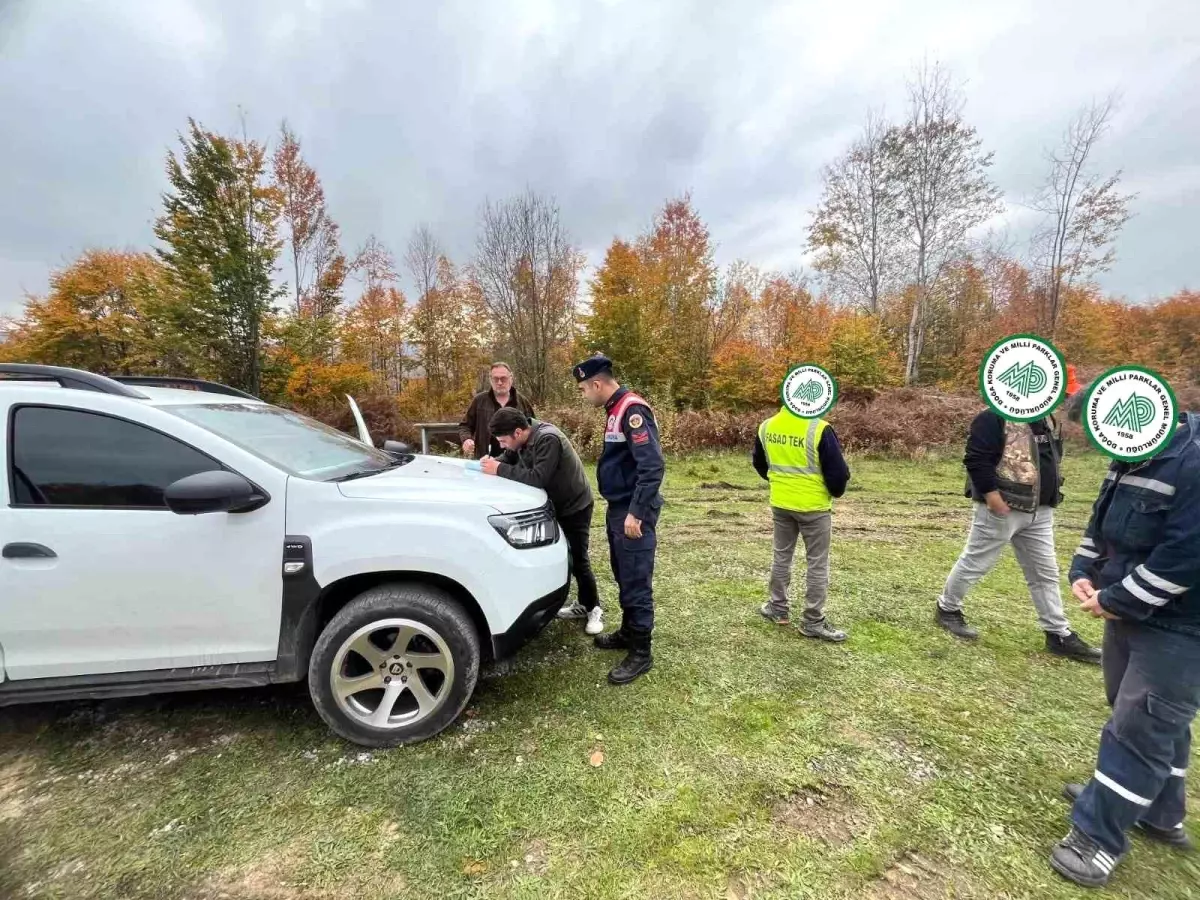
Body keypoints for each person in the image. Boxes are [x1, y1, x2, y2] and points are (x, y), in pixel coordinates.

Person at [1050, 399, 1200, 888]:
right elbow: (1102, 522)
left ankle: (1097, 837)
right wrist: (1083, 570)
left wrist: (1119, 599)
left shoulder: (1193, 462)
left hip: (1181, 624)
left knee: (1140, 725)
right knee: (1147, 717)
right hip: (1129, 610)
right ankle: (1159, 811)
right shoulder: (1132, 454)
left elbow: (1185, 555)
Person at [934, 392, 1101, 663]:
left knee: (1045, 572)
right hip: (1003, 507)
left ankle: (1058, 633)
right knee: (976, 562)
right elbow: (976, 460)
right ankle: (947, 609)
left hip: (1040, 510)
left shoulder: (1045, 419)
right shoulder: (992, 418)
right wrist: (991, 496)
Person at [573, 353, 664, 685]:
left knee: (636, 579)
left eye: (584, 389)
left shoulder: (632, 410)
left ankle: (641, 652)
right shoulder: (615, 410)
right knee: (623, 574)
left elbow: (652, 467)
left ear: (597, 384)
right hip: (619, 509)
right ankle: (628, 632)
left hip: (631, 512)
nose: (584, 396)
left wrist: (636, 512)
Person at [482, 408, 603, 635]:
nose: (503, 445)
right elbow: (507, 458)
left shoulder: (548, 439)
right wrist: (493, 462)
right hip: (555, 506)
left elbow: (538, 478)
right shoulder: (522, 440)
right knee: (561, 557)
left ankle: (593, 607)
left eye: (503, 440)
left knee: (578, 558)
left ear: (518, 432)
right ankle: (580, 604)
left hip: (575, 506)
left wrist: (498, 469)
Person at [751, 403, 851, 641]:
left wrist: (781, 482)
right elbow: (838, 474)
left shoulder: (766, 426)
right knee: (817, 563)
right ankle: (813, 621)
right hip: (814, 506)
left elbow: (760, 463)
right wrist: (833, 492)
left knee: (781, 556)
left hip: (781, 502)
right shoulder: (820, 428)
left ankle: (778, 608)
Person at [458, 362, 535, 459]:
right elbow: (465, 426)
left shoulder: (522, 402)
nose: (499, 382)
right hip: (485, 458)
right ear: (490, 380)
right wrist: (466, 439)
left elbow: (532, 430)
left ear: (511, 378)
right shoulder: (479, 401)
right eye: (495, 379)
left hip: (516, 461)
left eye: (503, 378)